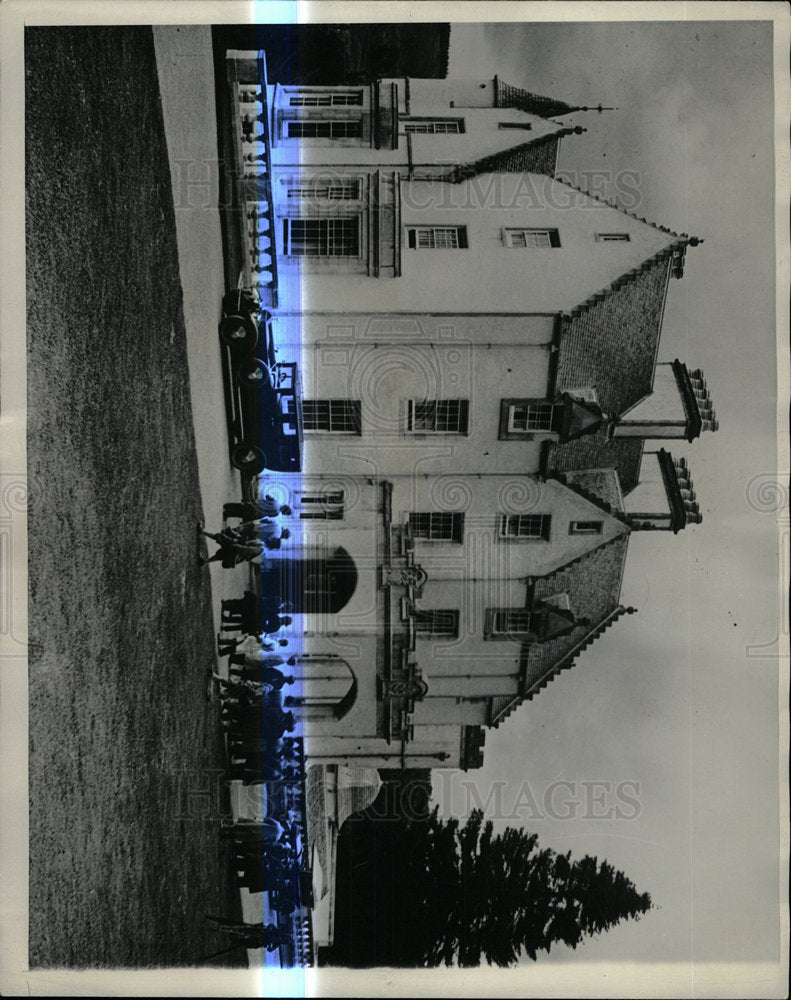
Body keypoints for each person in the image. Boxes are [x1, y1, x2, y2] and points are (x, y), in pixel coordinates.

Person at [223, 496, 292, 521]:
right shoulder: (276, 513)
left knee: (241, 506)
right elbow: (268, 515)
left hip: (256, 504)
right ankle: (227, 514)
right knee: (241, 514)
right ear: (284, 512)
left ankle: (227, 506)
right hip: (256, 511)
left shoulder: (276, 501)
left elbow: (267, 496)